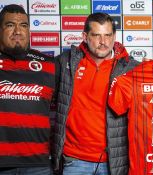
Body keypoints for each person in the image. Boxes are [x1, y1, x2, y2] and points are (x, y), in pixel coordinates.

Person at [51, 13, 139, 175]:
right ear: (85, 36)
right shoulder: (65, 62)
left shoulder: (132, 69)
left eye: (107, 35)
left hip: (114, 161)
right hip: (74, 159)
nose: (103, 42)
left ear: (114, 36)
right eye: (96, 35)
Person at [0, 4, 55, 175]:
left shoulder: (49, 65)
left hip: (38, 164)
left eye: (23, 25)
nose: (17, 31)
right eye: (10, 25)